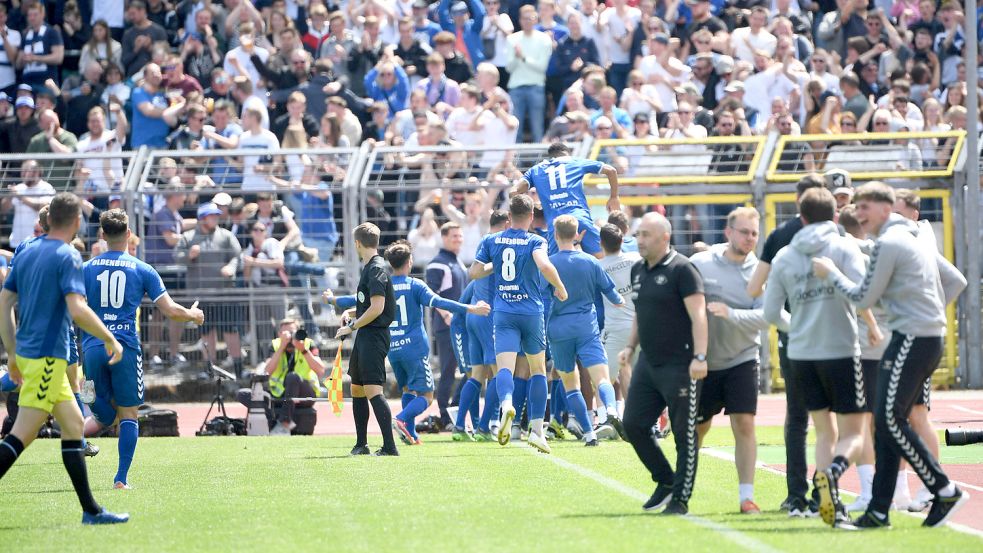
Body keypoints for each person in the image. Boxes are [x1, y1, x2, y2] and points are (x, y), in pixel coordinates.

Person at [811, 182, 969, 530]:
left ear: (886, 209)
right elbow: (954, 280)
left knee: (888, 421)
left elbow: (862, 298)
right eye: (857, 208)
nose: (858, 214)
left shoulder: (890, 242)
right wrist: (927, 310)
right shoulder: (914, 238)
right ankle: (879, 510)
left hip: (912, 338)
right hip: (921, 337)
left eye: (865, 207)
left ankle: (944, 489)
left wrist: (832, 273)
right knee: (887, 423)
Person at [0, 192, 128, 525]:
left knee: (73, 426)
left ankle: (91, 512)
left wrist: (12, 352)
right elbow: (77, 309)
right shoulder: (67, 254)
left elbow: (4, 304)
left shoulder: (25, 251)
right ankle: (92, 512)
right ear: (75, 221)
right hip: (47, 357)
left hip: (37, 356)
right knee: (20, 436)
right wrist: (109, 337)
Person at [763, 186, 868, 529]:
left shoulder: (784, 256)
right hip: (840, 348)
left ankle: (828, 500)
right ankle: (831, 476)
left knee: (824, 431)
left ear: (802, 218)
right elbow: (863, 294)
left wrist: (797, 327)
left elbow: (770, 312)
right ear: (835, 215)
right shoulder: (844, 246)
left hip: (801, 352)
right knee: (855, 433)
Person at [80, 209, 203, 488]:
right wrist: (194, 315)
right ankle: (121, 478)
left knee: (104, 413)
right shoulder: (142, 269)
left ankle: (90, 400)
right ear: (128, 234)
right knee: (129, 415)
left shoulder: (86, 268)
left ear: (102, 235)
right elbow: (171, 310)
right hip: (124, 346)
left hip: (93, 345)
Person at [328, 241, 489, 444]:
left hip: (394, 348)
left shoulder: (384, 284)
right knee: (427, 396)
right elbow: (439, 302)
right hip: (414, 348)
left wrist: (332, 300)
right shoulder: (415, 285)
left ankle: (410, 433)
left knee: (407, 390)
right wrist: (470, 308)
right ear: (409, 261)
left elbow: (354, 300)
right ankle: (401, 418)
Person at [691, 207, 782, 516]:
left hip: (742, 359)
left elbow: (766, 316)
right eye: (744, 232)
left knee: (744, 424)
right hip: (705, 362)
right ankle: (682, 486)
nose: (750, 238)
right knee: (698, 428)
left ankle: (747, 497)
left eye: (755, 233)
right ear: (728, 232)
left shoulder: (761, 271)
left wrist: (732, 314)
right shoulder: (701, 263)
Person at [746, 173, 827, 516]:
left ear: (798, 200)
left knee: (797, 418)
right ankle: (829, 493)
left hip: (794, 336)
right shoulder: (837, 236)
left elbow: (755, 288)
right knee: (835, 421)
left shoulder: (781, 236)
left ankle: (796, 494)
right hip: (835, 335)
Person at [620, 211, 707, 516]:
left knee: (684, 434)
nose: (639, 240)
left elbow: (699, 316)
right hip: (648, 362)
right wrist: (630, 346)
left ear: (664, 237)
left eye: (645, 235)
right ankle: (666, 480)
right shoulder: (638, 270)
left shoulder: (683, 270)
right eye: (638, 234)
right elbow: (640, 312)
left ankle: (680, 499)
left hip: (680, 364)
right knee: (632, 424)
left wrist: (700, 357)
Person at [469, 194, 567, 453]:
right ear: (531, 216)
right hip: (531, 312)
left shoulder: (491, 240)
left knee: (505, 367)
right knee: (538, 370)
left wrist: (495, 265)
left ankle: (507, 404)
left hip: (503, 312)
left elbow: (474, 272)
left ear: (509, 216)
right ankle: (536, 431)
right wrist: (560, 287)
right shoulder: (536, 240)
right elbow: (544, 266)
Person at [548, 215, 626, 446]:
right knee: (601, 378)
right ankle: (610, 410)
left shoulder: (549, 264)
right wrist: (621, 301)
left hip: (559, 329)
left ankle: (590, 434)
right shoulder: (591, 261)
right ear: (576, 235)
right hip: (586, 328)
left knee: (571, 385)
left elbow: (540, 295)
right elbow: (612, 294)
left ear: (555, 235)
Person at [334, 223, 399, 457]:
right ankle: (361, 444)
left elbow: (378, 308)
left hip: (373, 336)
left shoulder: (376, 268)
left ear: (357, 243)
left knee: (373, 390)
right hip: (365, 335)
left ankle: (390, 447)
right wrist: (351, 313)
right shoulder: (370, 267)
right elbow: (367, 305)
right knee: (358, 389)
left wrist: (352, 326)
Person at [510, 142, 620, 257]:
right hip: (579, 219)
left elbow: (513, 192)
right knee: (603, 259)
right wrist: (614, 197)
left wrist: (531, 208)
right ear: (567, 153)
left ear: (551, 156)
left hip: (556, 227)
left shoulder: (535, 170)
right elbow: (611, 170)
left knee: (557, 265)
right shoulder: (575, 161)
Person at [174, 203, 243, 375]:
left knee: (231, 330)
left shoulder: (226, 235)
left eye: (216, 215)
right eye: (211, 215)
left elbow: (237, 256)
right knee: (206, 333)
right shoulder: (188, 237)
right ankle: (210, 370)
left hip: (224, 294)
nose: (215, 218)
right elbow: (176, 256)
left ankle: (238, 369)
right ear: (202, 218)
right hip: (201, 295)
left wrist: (231, 268)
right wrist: (188, 255)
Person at [425, 222, 468, 430]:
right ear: (443, 238)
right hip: (447, 326)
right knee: (448, 371)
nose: (458, 239)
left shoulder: (458, 261)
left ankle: (453, 409)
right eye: (454, 236)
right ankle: (445, 414)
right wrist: (446, 315)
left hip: (462, 325)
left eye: (460, 236)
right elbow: (431, 295)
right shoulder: (437, 263)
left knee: (471, 370)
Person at [598, 224, 640, 415]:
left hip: (614, 329)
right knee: (642, 378)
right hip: (641, 327)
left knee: (601, 377)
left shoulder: (598, 266)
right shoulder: (636, 259)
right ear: (622, 240)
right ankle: (651, 422)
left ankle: (605, 417)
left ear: (601, 243)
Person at [263, 318, 326, 436]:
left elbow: (320, 370)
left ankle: (284, 424)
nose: (289, 336)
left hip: (305, 394)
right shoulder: (275, 345)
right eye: (286, 333)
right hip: (281, 394)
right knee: (251, 393)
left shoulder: (308, 344)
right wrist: (281, 347)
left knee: (292, 377)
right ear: (279, 334)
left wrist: (304, 350)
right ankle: (270, 425)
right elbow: (267, 372)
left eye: (292, 332)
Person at [3, 160, 54, 249]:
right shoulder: (19, 188)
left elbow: (43, 207)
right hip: (17, 242)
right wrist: (9, 196)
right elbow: (3, 210)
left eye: (28, 170)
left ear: (37, 172)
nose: (24, 174)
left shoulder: (46, 188)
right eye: (23, 171)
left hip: (37, 242)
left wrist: (20, 197)